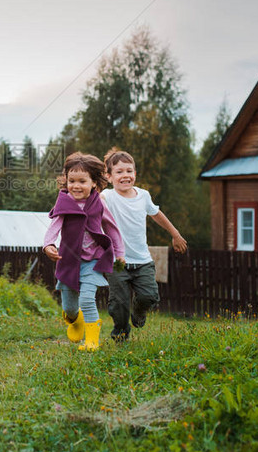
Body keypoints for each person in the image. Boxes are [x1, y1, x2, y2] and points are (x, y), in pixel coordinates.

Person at [101, 148, 187, 341]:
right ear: (109, 177)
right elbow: (96, 202)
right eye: (119, 172)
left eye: (129, 171)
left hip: (142, 260)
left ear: (135, 174)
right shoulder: (108, 196)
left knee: (150, 296)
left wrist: (175, 234)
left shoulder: (143, 196)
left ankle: (139, 311)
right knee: (119, 304)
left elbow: (157, 214)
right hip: (117, 261)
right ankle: (120, 335)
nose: (125, 175)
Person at [43, 152, 125, 350]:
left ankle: (92, 341)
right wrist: (48, 245)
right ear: (66, 181)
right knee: (69, 308)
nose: (76, 186)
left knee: (88, 298)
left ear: (94, 183)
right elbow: (55, 225)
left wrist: (119, 252)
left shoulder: (99, 204)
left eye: (82, 181)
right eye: (71, 181)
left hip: (93, 261)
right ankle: (75, 319)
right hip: (69, 260)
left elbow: (112, 228)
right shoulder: (64, 203)